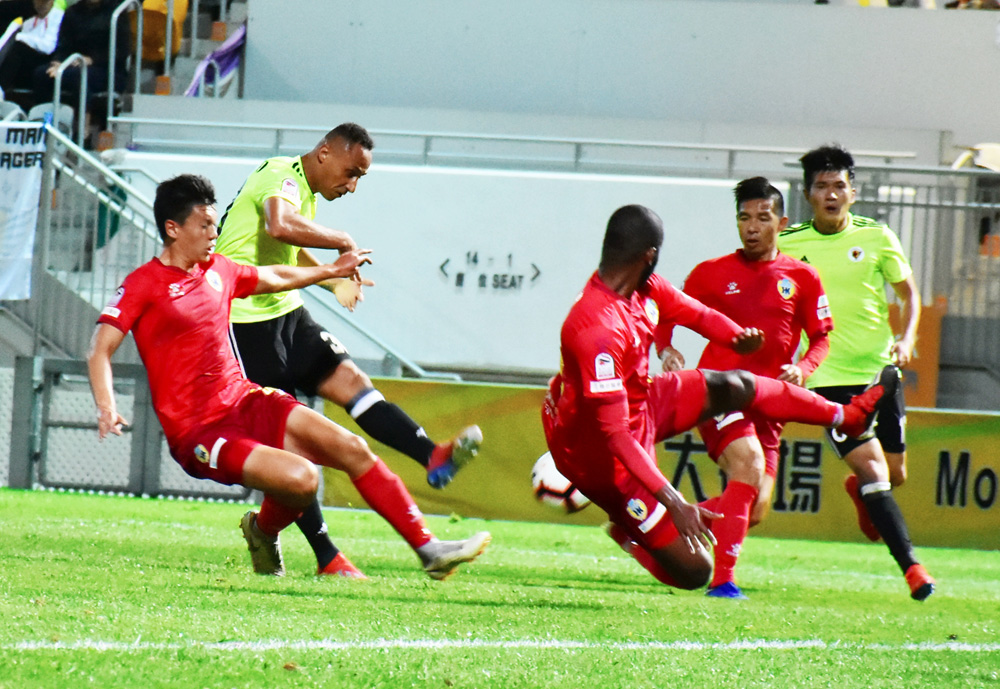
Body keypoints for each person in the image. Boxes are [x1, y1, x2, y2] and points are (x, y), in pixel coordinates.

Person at [87, 174, 490, 581]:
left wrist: (331, 271)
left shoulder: (217, 270)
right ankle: (263, 531)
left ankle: (430, 550)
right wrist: (107, 406)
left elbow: (275, 276)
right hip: (200, 431)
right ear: (173, 229)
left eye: (215, 223)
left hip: (246, 400)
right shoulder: (143, 284)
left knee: (352, 448)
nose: (214, 233)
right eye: (204, 225)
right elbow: (100, 349)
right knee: (302, 479)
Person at [542, 204, 889, 596]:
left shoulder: (645, 288)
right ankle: (631, 534)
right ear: (650, 255)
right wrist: (675, 502)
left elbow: (697, 314)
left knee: (737, 384)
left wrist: (735, 337)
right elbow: (616, 436)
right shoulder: (596, 327)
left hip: (644, 402)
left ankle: (847, 416)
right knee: (695, 571)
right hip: (602, 458)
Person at [214, 123, 482, 579]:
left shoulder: (305, 191)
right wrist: (341, 241)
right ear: (324, 153)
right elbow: (279, 225)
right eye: (351, 172)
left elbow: (285, 245)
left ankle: (432, 457)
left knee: (354, 384)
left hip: (286, 313)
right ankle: (326, 556)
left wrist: (332, 278)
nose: (352, 185)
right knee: (294, 448)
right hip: (244, 321)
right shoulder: (280, 174)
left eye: (360, 177)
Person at [657, 177, 833, 598]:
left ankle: (651, 526)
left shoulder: (803, 277)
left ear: (782, 223)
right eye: (744, 218)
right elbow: (667, 312)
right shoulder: (711, 273)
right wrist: (666, 348)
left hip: (771, 401)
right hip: (721, 392)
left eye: (762, 218)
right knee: (749, 463)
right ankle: (723, 582)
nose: (752, 227)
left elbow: (821, 337)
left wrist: (803, 368)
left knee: (754, 508)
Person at [777, 144, 934, 601]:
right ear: (808, 194)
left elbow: (909, 294)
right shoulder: (789, 245)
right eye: (822, 186)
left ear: (853, 192)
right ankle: (913, 569)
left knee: (895, 474)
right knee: (873, 469)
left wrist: (906, 339)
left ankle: (859, 490)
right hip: (828, 380)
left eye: (839, 186)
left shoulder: (878, 237)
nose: (831, 194)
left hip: (881, 375)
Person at [31, 0, 129, 126]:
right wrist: (58, 62)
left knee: (80, 76)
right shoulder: (72, 12)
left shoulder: (116, 12)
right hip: (74, 64)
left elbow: (122, 50)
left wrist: (92, 59)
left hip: (107, 68)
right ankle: (43, 121)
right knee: (41, 74)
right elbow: (64, 45)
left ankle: (83, 127)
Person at [0, 0, 63, 97]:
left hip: (49, 59)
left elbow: (48, 47)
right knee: (13, 49)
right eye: (38, 1)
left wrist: (22, 37)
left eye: (45, 2)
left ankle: (1, 86)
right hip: (27, 61)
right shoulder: (29, 21)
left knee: (18, 47)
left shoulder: (58, 16)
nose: (41, 5)